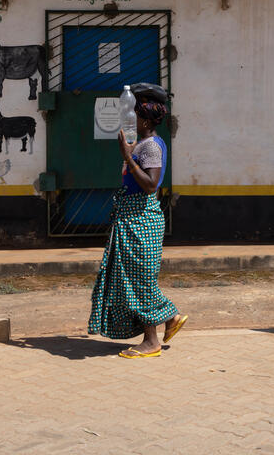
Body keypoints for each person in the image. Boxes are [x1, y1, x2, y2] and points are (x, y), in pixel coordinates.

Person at [88, 97, 187, 358]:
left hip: (141, 220)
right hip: (131, 217)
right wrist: (131, 154)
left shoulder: (152, 146)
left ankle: (152, 341)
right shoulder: (142, 144)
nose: (129, 120)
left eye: (134, 116)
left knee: (140, 282)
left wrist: (127, 158)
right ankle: (172, 317)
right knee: (134, 279)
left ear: (144, 120)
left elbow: (151, 185)